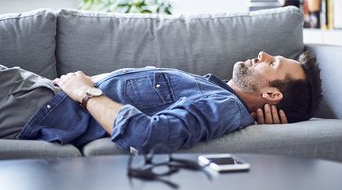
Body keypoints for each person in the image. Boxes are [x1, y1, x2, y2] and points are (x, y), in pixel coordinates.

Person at [0, 51, 322, 153]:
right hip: (39, 94)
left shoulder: (223, 105)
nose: (263, 54)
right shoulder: (214, 91)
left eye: (273, 63)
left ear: (272, 95)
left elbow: (151, 136)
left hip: (35, 105)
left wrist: (85, 92)